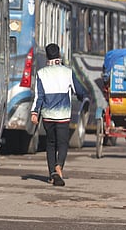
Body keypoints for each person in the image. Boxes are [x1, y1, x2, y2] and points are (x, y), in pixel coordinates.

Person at [31, 43, 87, 186]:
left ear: (47, 56)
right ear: (59, 56)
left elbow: (39, 96)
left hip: (48, 115)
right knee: (62, 143)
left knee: (50, 143)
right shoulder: (67, 72)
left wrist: (34, 112)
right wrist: (82, 97)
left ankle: (52, 174)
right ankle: (59, 166)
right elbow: (78, 90)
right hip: (63, 115)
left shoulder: (41, 73)